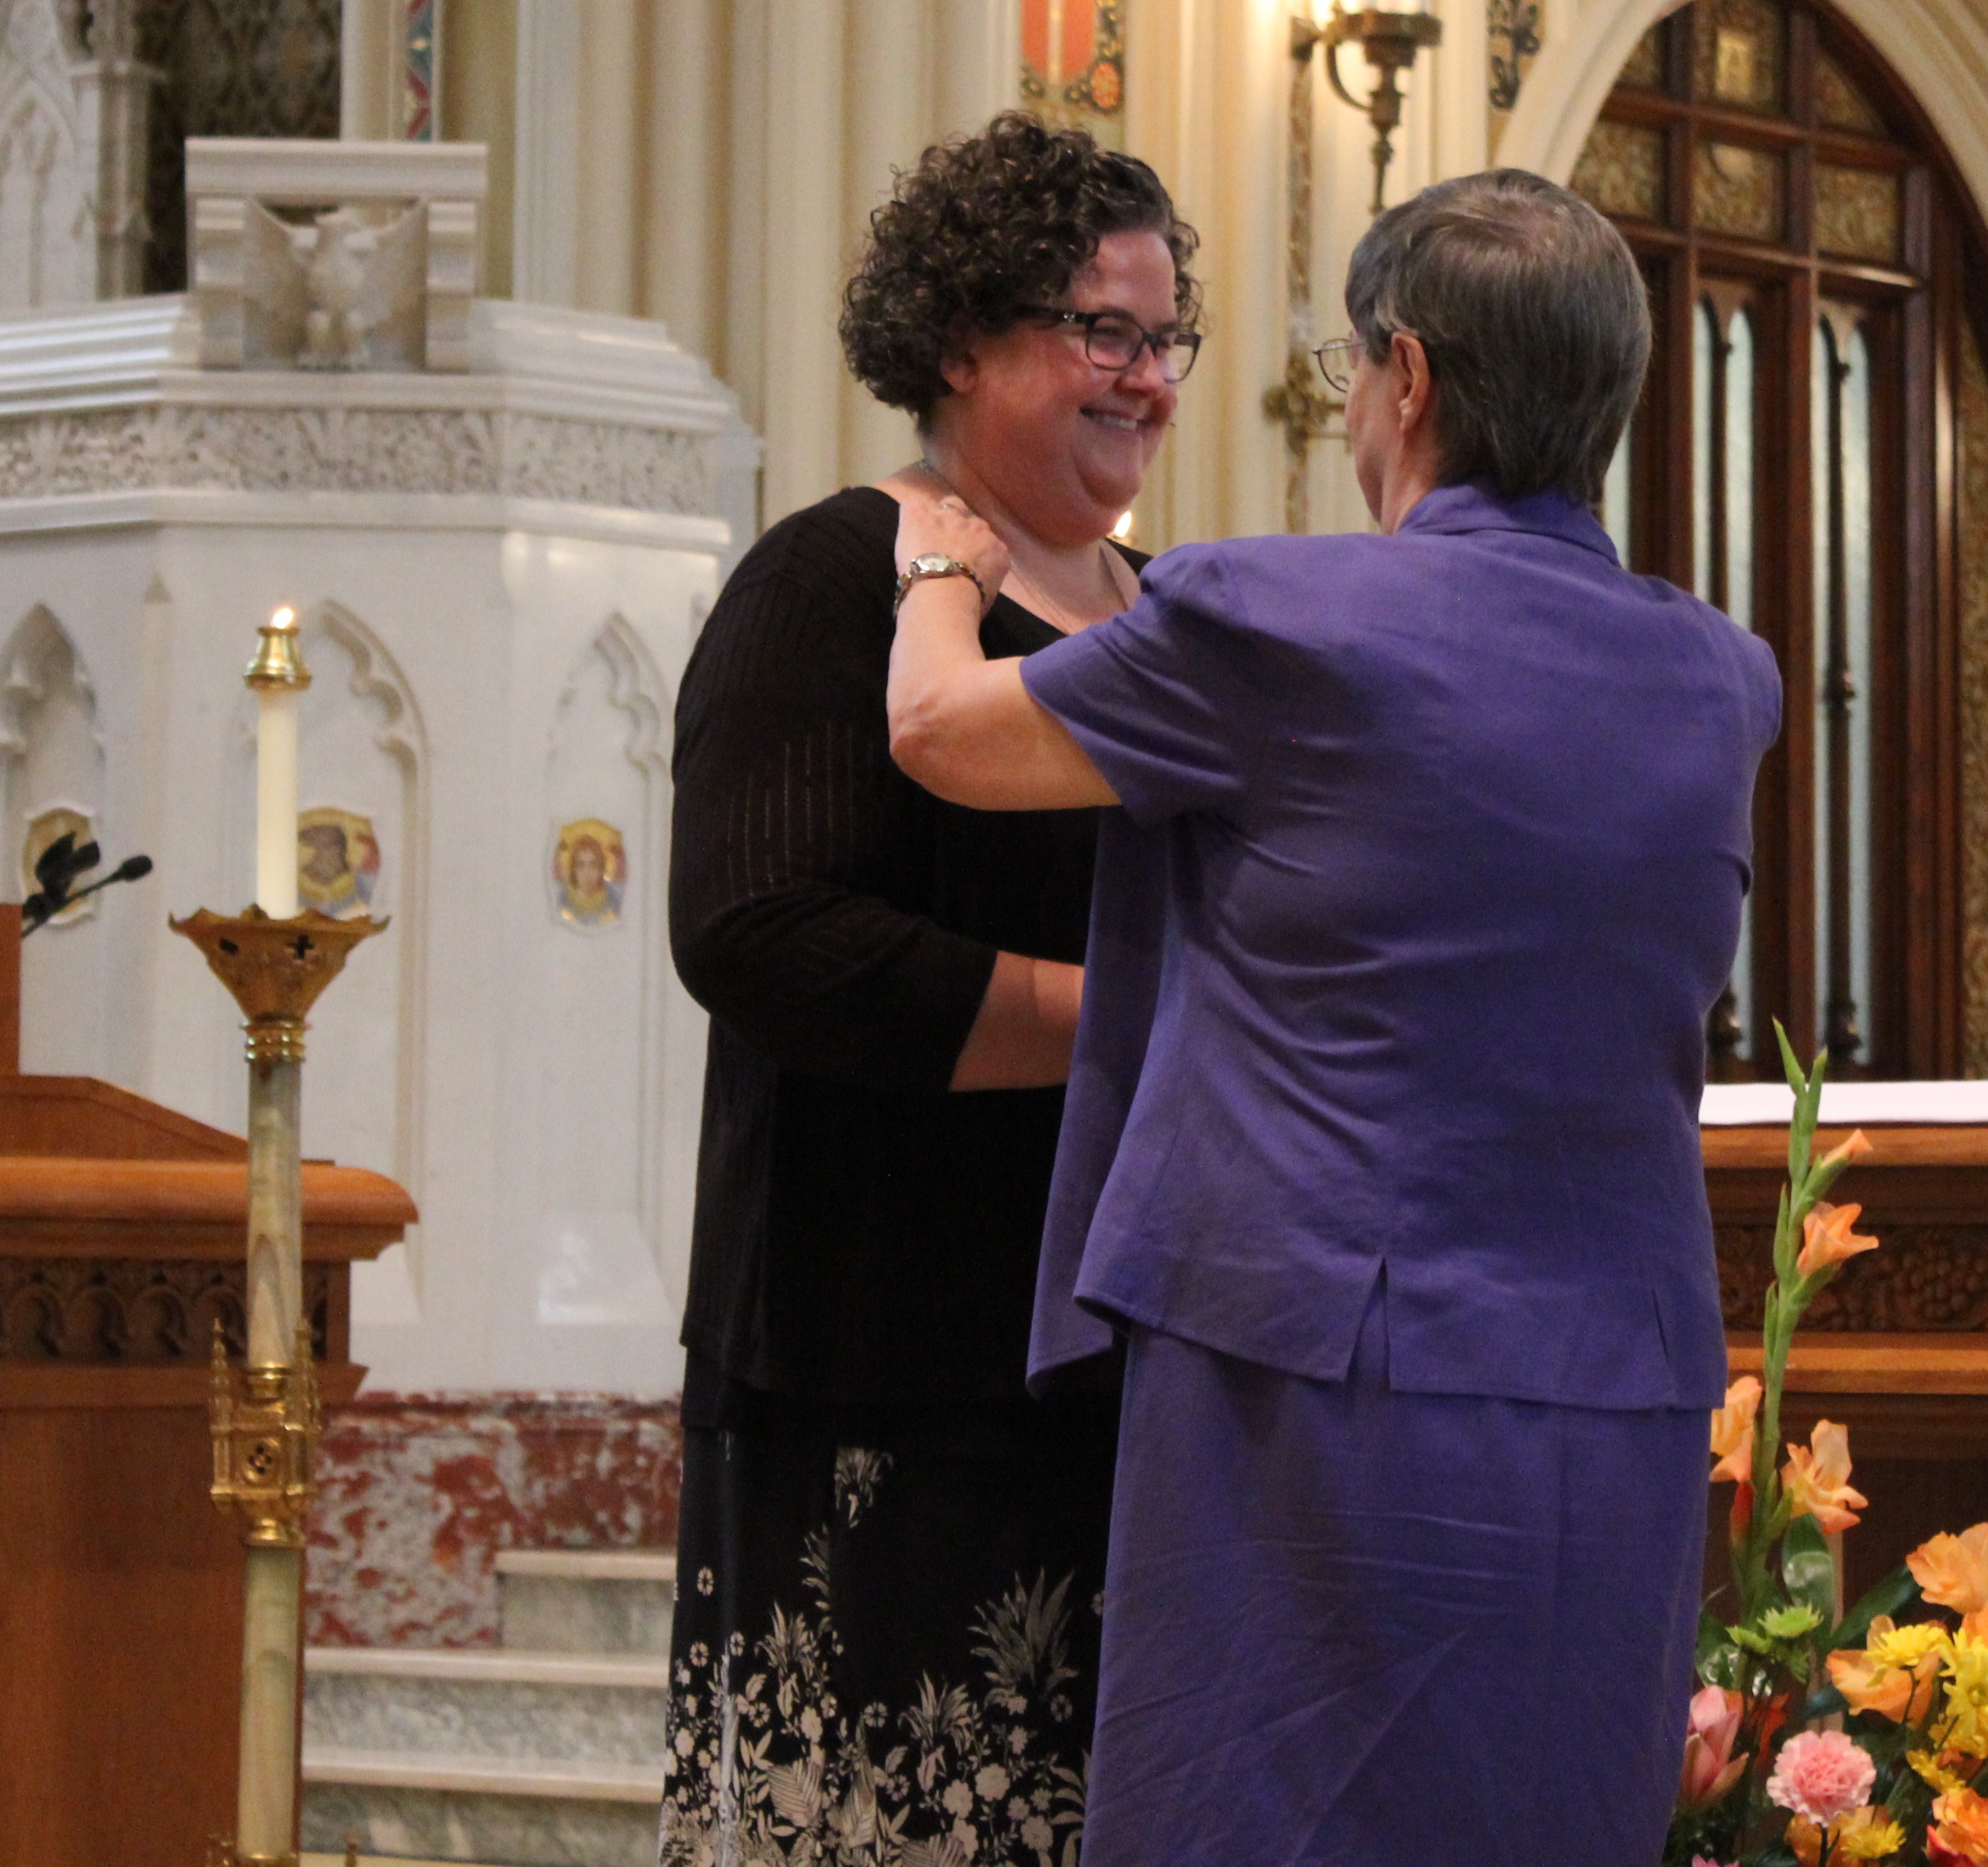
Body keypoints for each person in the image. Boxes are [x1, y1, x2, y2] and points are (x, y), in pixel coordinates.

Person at [884, 169, 1781, 1865]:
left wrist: (940, 548)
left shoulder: (1277, 618)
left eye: (1366, 364)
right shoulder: (1722, 676)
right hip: (1619, 1387)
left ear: (1413, 379)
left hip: (1315, 1380)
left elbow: (939, 729)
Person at [660, 114, 1198, 1866]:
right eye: (1098, 329)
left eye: (1164, 335)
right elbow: (758, 930)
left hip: (1128, 1361)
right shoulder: (830, 576)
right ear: (960, 338)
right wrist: (1115, 1028)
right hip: (877, 1361)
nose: (1143, 375)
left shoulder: (1173, 616)